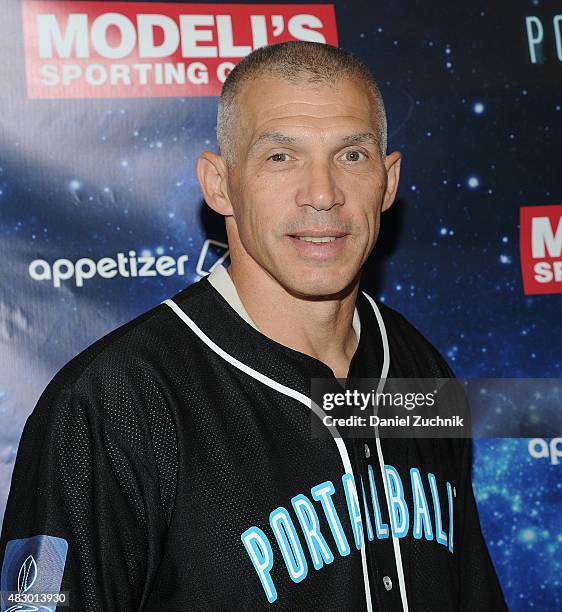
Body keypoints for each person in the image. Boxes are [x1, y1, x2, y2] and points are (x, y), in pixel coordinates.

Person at [0, 41, 506, 611]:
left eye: (351, 156)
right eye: (280, 157)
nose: (323, 195)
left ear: (388, 182)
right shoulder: (114, 402)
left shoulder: (422, 370)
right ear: (219, 183)